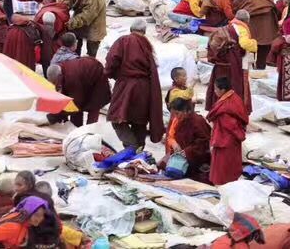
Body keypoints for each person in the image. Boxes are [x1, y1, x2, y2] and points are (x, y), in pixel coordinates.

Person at [104, 18, 164, 149]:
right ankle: (139, 150)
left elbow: (112, 60)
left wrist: (112, 75)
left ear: (131, 30)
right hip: (145, 88)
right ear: (144, 31)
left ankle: (132, 147)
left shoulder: (124, 40)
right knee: (139, 122)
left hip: (126, 85)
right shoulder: (147, 45)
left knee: (117, 119)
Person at [45, 57, 111, 126]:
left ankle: (89, 131)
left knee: (93, 107)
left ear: (59, 76)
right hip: (84, 79)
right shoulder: (62, 69)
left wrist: (54, 117)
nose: (56, 84)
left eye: (56, 82)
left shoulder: (71, 77)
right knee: (76, 106)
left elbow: (75, 104)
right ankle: (76, 127)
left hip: (97, 80)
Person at [208, 77, 250, 184]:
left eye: (216, 89)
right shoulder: (235, 97)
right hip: (232, 138)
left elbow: (230, 124)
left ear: (222, 90)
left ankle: (222, 184)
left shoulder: (225, 106)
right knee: (231, 164)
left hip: (226, 139)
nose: (215, 91)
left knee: (223, 166)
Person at [163, 97, 212, 180]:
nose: (175, 117)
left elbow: (204, 142)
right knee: (162, 166)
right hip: (180, 157)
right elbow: (171, 136)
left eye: (177, 113)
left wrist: (186, 152)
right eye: (174, 114)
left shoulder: (198, 121)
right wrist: (174, 144)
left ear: (185, 111)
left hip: (195, 159)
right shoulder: (178, 120)